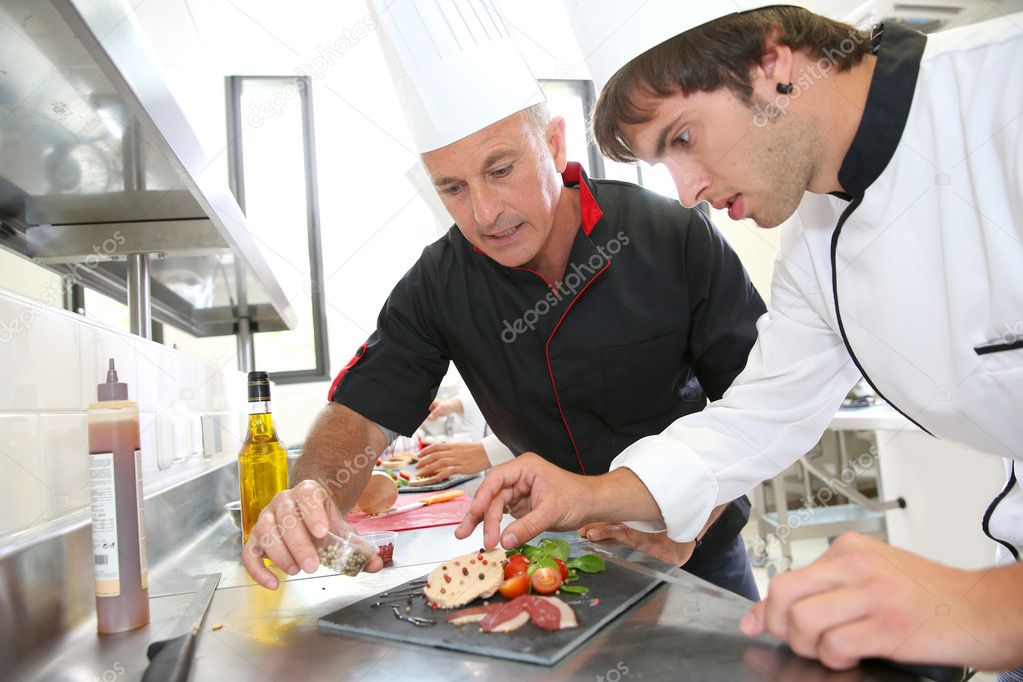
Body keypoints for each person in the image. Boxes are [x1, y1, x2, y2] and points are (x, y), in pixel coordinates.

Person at [458, 1, 1023, 675]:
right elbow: (758, 417)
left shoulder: (1002, 93)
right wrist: (589, 494)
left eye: (683, 139)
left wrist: (971, 605)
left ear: (772, 62)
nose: (688, 191)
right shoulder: (813, 241)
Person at [240, 0, 767, 600]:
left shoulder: (670, 234)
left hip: (696, 550)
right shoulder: (439, 281)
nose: (484, 214)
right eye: (453, 188)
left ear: (552, 142)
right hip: (553, 563)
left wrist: (692, 521)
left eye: (500, 169)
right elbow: (361, 413)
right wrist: (312, 493)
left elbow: (756, 406)